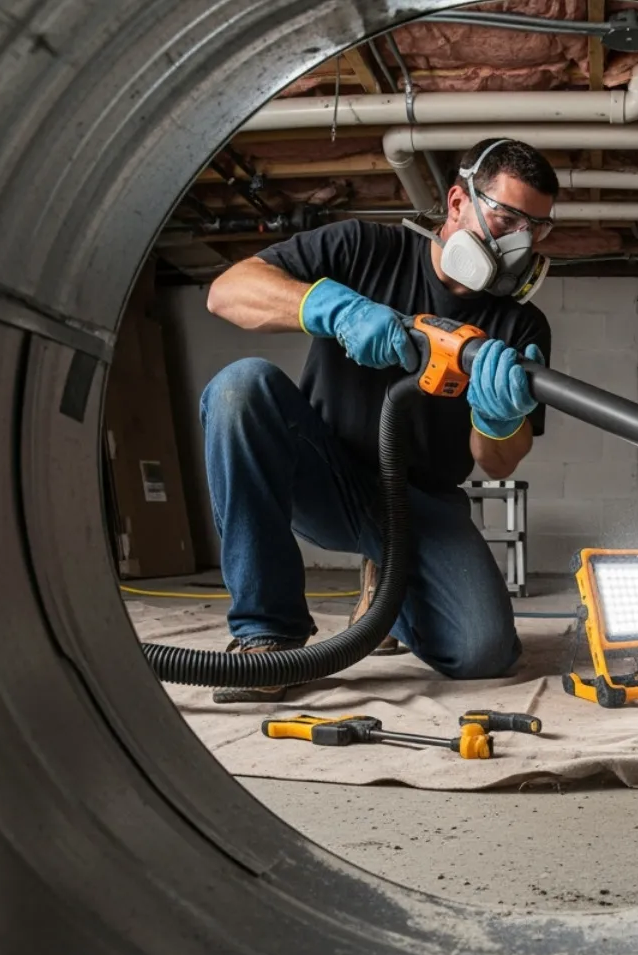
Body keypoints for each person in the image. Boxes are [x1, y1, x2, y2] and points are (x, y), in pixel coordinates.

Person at [199, 137, 558, 703]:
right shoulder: (364, 247)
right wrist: (333, 309)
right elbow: (226, 292)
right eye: (507, 216)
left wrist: (496, 418)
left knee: (483, 653)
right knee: (240, 388)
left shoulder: (521, 326)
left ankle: (387, 598)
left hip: (420, 504)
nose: (519, 240)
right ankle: (270, 634)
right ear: (458, 202)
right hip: (322, 476)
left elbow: (497, 462)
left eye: (535, 228)